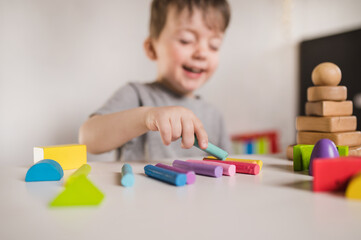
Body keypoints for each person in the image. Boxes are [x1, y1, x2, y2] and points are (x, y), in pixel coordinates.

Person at [79, 0, 232, 161]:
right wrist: (147, 117)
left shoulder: (214, 116)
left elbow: (228, 167)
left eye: (214, 45)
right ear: (152, 48)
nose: (202, 53)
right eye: (186, 40)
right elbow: (87, 139)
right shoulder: (136, 95)